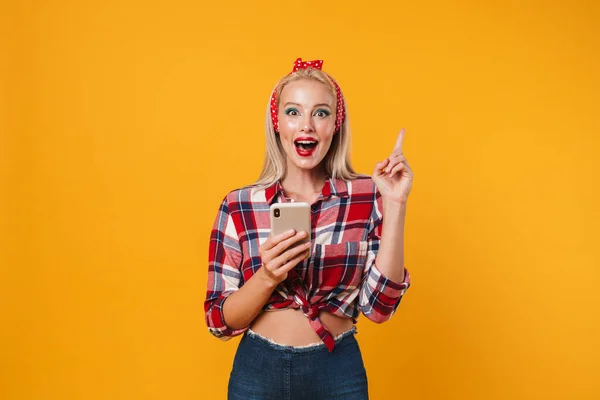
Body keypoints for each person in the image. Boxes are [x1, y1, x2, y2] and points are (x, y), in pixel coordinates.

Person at [204, 57, 413, 399]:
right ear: (277, 124)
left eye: (320, 112)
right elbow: (219, 323)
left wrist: (396, 204)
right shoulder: (240, 205)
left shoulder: (367, 195)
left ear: (335, 124)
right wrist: (268, 275)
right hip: (257, 370)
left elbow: (379, 308)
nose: (307, 126)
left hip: (337, 370)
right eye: (293, 112)